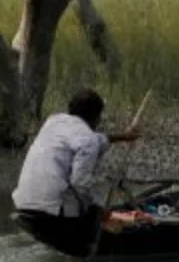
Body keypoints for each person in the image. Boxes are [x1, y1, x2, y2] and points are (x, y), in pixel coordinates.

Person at [12, 87, 141, 251]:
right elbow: (80, 182)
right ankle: (88, 246)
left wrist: (123, 136)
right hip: (51, 211)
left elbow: (93, 140)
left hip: (24, 203)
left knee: (87, 199)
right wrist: (102, 213)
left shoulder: (53, 122)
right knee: (91, 200)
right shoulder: (88, 139)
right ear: (97, 118)